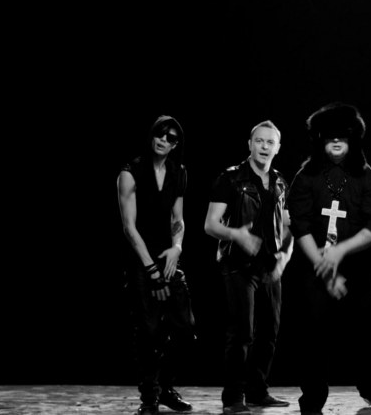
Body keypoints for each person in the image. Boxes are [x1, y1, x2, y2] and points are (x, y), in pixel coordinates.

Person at [286, 102, 371, 414]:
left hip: (358, 269)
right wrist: (325, 267)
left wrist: (340, 252)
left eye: (341, 135)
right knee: (312, 335)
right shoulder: (305, 177)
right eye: (329, 135)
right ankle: (312, 400)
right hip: (314, 267)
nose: (335, 140)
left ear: (352, 138)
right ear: (320, 138)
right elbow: (300, 225)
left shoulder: (369, 178)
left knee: (367, 334)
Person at [204, 120, 293, 415]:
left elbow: (287, 226)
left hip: (270, 266)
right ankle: (233, 397)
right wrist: (237, 235)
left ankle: (257, 392)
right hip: (238, 264)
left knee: (269, 332)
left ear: (277, 148)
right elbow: (210, 225)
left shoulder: (280, 182)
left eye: (270, 142)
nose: (264, 146)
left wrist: (285, 256)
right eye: (259, 141)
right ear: (250, 144)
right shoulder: (230, 178)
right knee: (242, 333)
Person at [117, 115, 196, 415]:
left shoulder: (179, 172)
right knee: (149, 331)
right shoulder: (130, 173)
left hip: (167, 257)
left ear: (176, 144)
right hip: (141, 260)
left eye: (171, 137)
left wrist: (177, 247)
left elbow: (178, 219)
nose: (164, 140)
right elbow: (129, 228)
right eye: (160, 134)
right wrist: (151, 271)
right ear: (152, 135)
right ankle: (149, 396)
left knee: (186, 330)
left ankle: (166, 388)